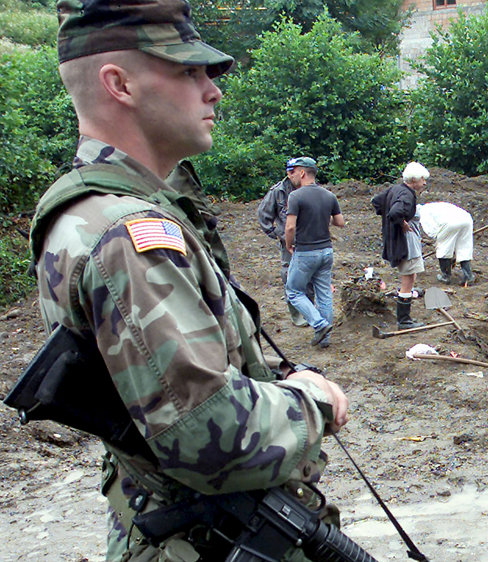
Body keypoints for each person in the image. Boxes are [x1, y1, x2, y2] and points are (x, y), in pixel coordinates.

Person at [28, 0, 349, 559]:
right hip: (199, 539)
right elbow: (209, 437)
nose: (213, 90)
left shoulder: (96, 211)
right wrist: (311, 399)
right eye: (187, 71)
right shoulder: (128, 233)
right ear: (118, 83)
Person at [284, 156, 346, 348]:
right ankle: (324, 339)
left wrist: (288, 245)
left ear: (302, 173)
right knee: (324, 294)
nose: (290, 176)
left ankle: (319, 325)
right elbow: (340, 222)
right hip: (326, 251)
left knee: (293, 291)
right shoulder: (329, 195)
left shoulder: (296, 196)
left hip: (306, 252)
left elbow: (290, 228)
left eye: (293, 172)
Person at [372, 162, 428, 329]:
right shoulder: (407, 195)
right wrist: (402, 223)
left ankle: (405, 313)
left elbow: (376, 202)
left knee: (410, 277)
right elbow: (395, 212)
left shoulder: (394, 189)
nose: (425, 183)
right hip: (404, 242)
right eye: (423, 179)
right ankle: (404, 320)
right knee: (408, 279)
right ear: (415, 179)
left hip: (394, 240)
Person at [257, 160, 313, 327]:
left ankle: (310, 311)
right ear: (290, 173)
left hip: (310, 241)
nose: (303, 175)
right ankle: (296, 314)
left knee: (310, 277)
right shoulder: (278, 192)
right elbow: (263, 214)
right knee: (290, 277)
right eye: (298, 172)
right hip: (289, 243)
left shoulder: (310, 188)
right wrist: (276, 234)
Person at [416, 201, 476, 285]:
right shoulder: (433, 206)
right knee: (464, 247)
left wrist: (438, 241)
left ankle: (446, 276)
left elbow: (432, 230)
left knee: (444, 248)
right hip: (466, 218)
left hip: (451, 223)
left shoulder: (422, 212)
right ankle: (468, 277)